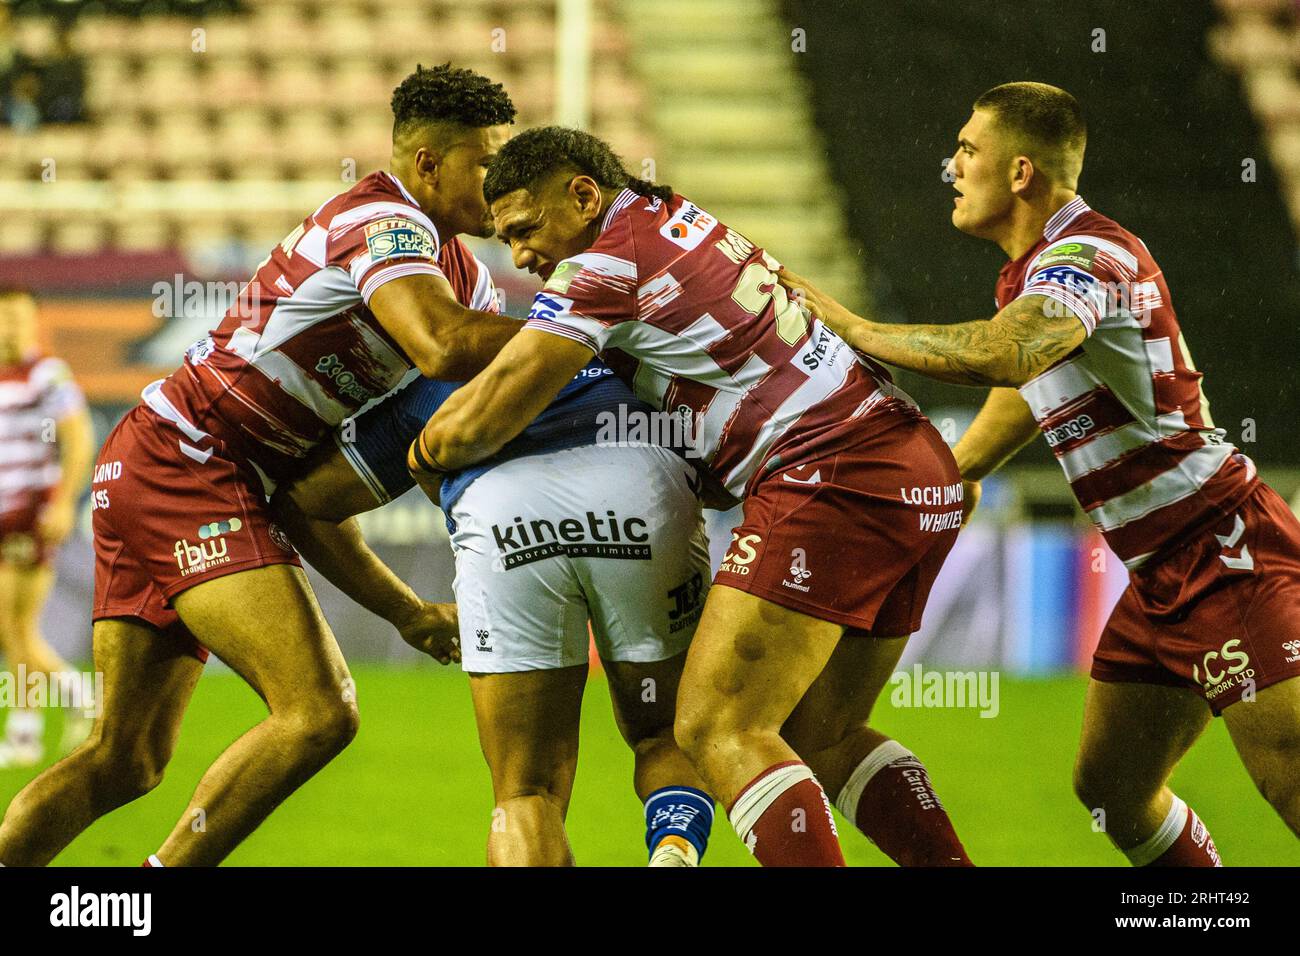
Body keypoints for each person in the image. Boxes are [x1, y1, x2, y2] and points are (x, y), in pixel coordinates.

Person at [406, 126, 973, 867]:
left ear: (582, 195)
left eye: (525, 229)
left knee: (713, 726)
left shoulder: (603, 266)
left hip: (830, 474)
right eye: (503, 239)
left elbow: (490, 412)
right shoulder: (675, 219)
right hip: (915, 468)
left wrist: (425, 457)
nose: (519, 256)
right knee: (819, 737)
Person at [0, 63, 521, 867]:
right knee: (319, 711)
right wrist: (587, 328)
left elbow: (311, 504)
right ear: (428, 164)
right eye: (487, 163)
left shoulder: (464, 279)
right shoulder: (385, 225)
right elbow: (447, 347)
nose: (504, 181)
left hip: (172, 463)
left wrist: (409, 612)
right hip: (188, 459)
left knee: (125, 760)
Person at [779, 81, 1300, 863]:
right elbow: (1034, 382)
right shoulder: (1034, 273)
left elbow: (1010, 352)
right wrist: (959, 469)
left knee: (1289, 785)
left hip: (1226, 553)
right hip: (1158, 572)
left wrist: (852, 326)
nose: (950, 167)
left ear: (1020, 172)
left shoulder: (1086, 259)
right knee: (1113, 793)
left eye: (966, 150)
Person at [276, 351, 717, 866]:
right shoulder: (632, 359)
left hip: (506, 519)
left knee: (525, 790)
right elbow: (728, 460)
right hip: (638, 494)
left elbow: (307, 501)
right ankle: (674, 849)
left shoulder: (442, 383)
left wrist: (409, 612)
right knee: (664, 734)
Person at [0, 287, 94, 768]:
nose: (10, 327)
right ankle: (67, 700)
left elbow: (78, 436)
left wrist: (61, 502)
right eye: (4, 318)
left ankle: (26, 730)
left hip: (29, 512)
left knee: (15, 626)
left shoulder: (46, 375)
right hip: (2, 514)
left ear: (34, 323)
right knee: (14, 629)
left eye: (19, 318)